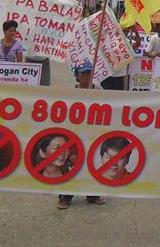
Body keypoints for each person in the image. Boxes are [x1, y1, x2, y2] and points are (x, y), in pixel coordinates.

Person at [57, 60, 106, 209]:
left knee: (93, 164)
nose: (86, 75)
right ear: (77, 76)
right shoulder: (71, 92)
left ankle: (92, 195)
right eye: (83, 73)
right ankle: (65, 196)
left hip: (93, 134)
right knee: (72, 164)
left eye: (89, 72)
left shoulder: (99, 90)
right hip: (74, 135)